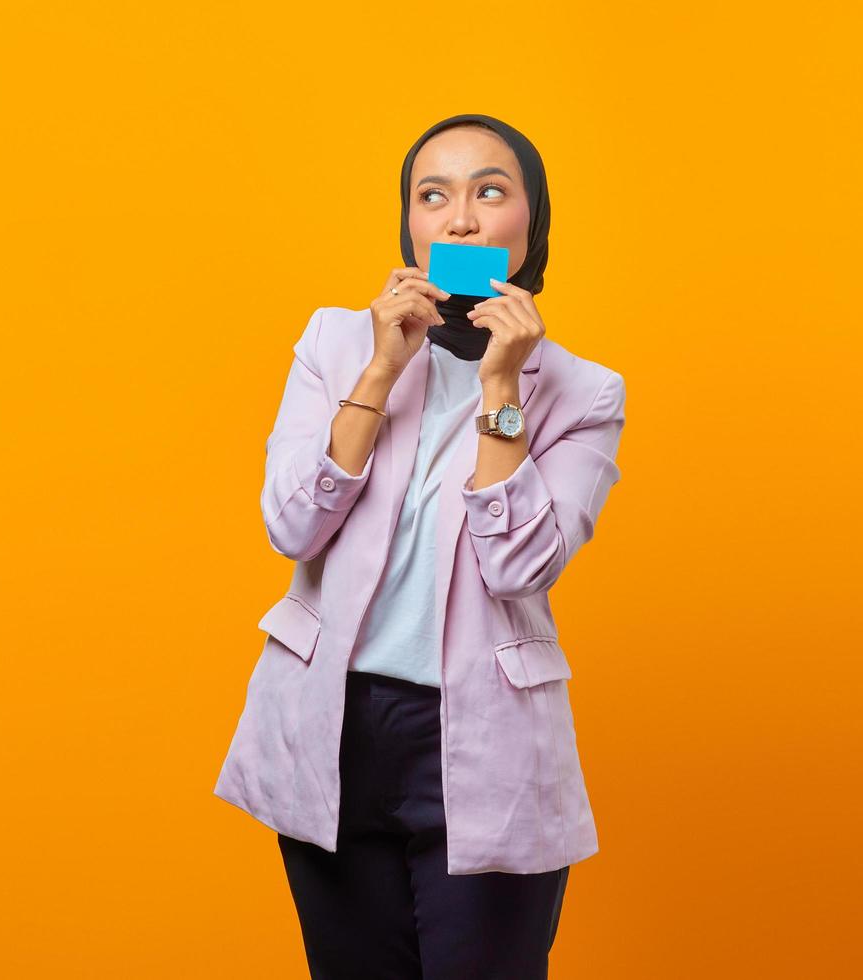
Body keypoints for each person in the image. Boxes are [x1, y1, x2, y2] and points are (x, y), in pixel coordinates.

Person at [213, 113, 629, 979]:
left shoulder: (585, 392)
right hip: (333, 728)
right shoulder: (334, 342)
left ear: (530, 222)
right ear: (409, 223)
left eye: (490, 191)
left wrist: (502, 384)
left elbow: (518, 565)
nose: (461, 219)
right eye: (432, 195)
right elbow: (292, 525)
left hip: (485, 742)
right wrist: (378, 370)